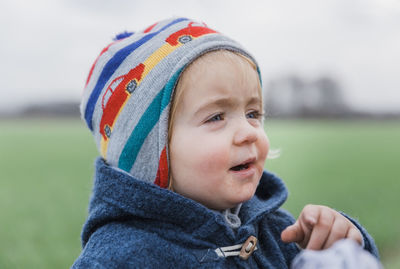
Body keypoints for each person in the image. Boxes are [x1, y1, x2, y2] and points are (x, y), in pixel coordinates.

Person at [72, 17, 379, 268]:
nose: (248, 132)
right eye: (217, 117)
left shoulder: (277, 232)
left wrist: (341, 246)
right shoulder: (120, 258)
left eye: (253, 113)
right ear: (150, 154)